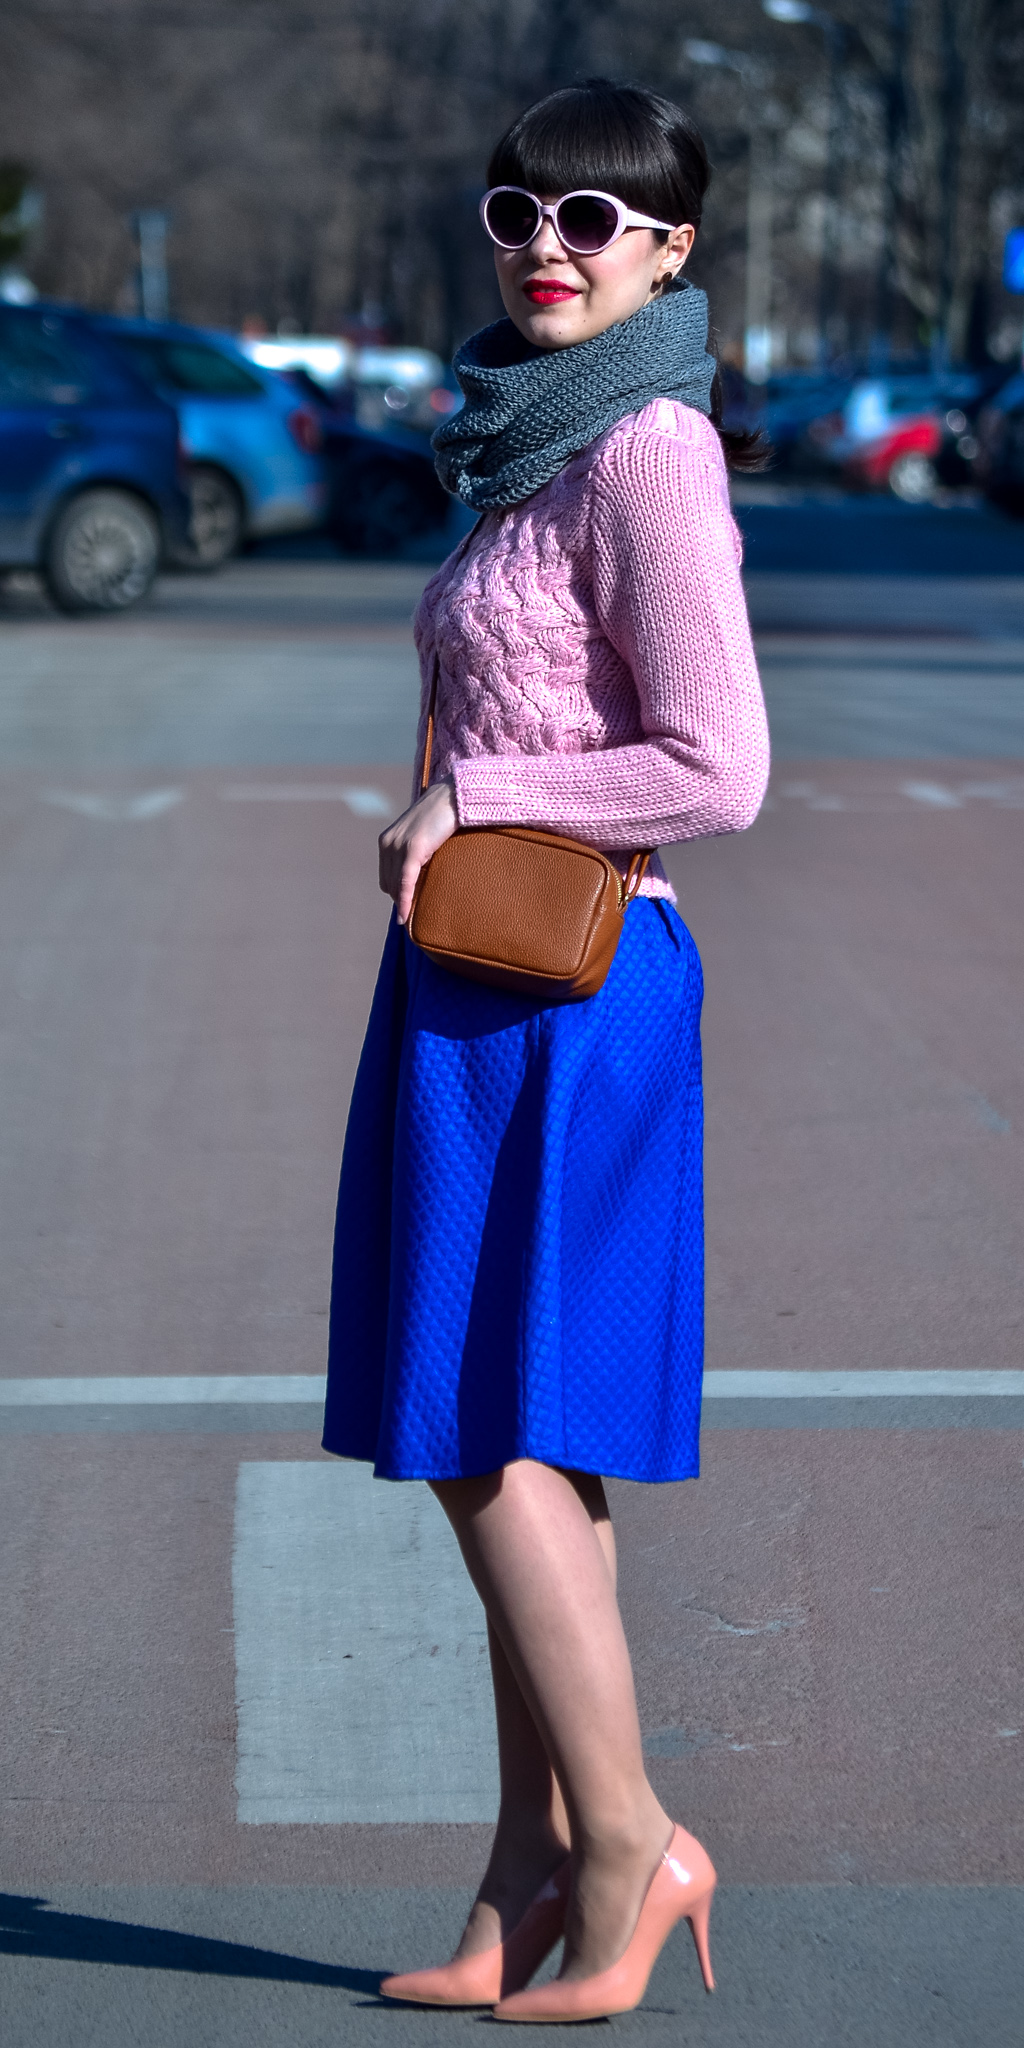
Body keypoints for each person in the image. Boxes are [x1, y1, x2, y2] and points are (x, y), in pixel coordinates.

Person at [322, 77, 770, 2023]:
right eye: (518, 210)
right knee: (498, 1424)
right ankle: (523, 1867)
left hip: (575, 984)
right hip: (465, 976)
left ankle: (626, 1839)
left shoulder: (645, 451)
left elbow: (719, 767)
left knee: (484, 1429)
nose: (545, 246)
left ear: (671, 251)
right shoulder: (522, 443)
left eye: (594, 220)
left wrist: (475, 785)